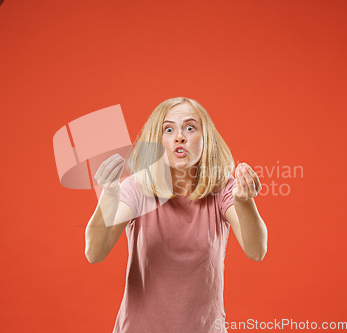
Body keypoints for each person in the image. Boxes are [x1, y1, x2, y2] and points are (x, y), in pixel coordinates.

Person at [84, 97, 268, 333]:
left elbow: (256, 251)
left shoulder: (223, 189)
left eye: (190, 128)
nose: (179, 136)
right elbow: (94, 253)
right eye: (168, 129)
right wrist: (109, 195)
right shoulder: (137, 188)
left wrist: (245, 202)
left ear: (206, 138)